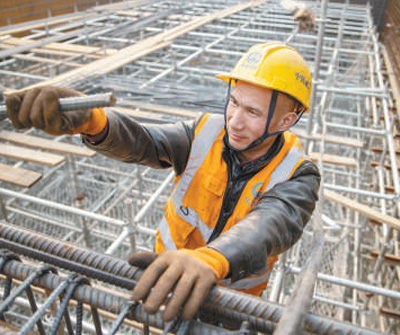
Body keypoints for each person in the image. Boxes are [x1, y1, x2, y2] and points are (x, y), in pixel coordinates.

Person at [5, 42, 320, 325]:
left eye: (252, 111)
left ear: (285, 121)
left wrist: (211, 260)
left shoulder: (297, 174)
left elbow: (271, 224)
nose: (234, 120)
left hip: (231, 312)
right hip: (163, 288)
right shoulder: (205, 133)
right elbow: (146, 142)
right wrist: (94, 121)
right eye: (234, 102)